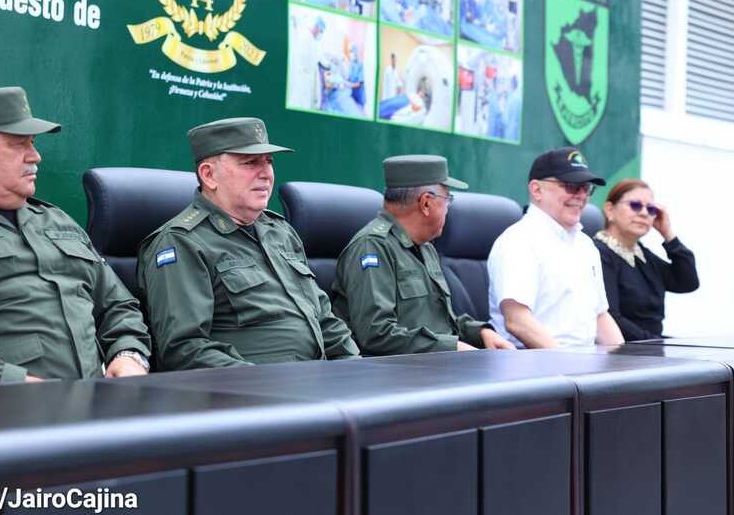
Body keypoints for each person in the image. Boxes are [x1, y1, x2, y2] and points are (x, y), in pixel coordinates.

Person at [0, 87, 151, 383]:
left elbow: (118, 305)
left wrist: (129, 355)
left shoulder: (55, 219)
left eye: (33, 143)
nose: (35, 156)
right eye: (18, 144)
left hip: (93, 401)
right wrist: (8, 380)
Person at [137, 117, 360, 370]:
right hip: (247, 388)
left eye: (269, 162)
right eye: (250, 162)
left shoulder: (280, 231)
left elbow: (325, 320)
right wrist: (259, 382)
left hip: (315, 380)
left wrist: (355, 370)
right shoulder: (181, 242)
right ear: (209, 175)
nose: (266, 174)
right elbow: (184, 349)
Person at [331, 155, 514, 356]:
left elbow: (442, 323)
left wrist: (481, 333)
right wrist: (452, 347)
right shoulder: (372, 247)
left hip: (434, 365)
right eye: (447, 199)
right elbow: (376, 335)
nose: (448, 208)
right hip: (395, 371)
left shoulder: (424, 247)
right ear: (426, 203)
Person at [487, 147, 624, 348]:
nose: (581, 196)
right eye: (571, 186)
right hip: (532, 361)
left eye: (586, 188)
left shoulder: (585, 245)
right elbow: (517, 320)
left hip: (582, 361)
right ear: (537, 190)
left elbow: (600, 316)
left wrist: (623, 359)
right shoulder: (518, 241)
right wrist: (565, 362)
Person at [594, 179, 698, 340]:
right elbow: (610, 316)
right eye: (635, 205)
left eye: (651, 209)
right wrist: (655, 343)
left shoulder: (641, 254)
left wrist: (667, 233)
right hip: (623, 348)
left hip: (649, 344)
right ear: (610, 210)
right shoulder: (598, 253)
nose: (644, 213)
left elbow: (687, 282)